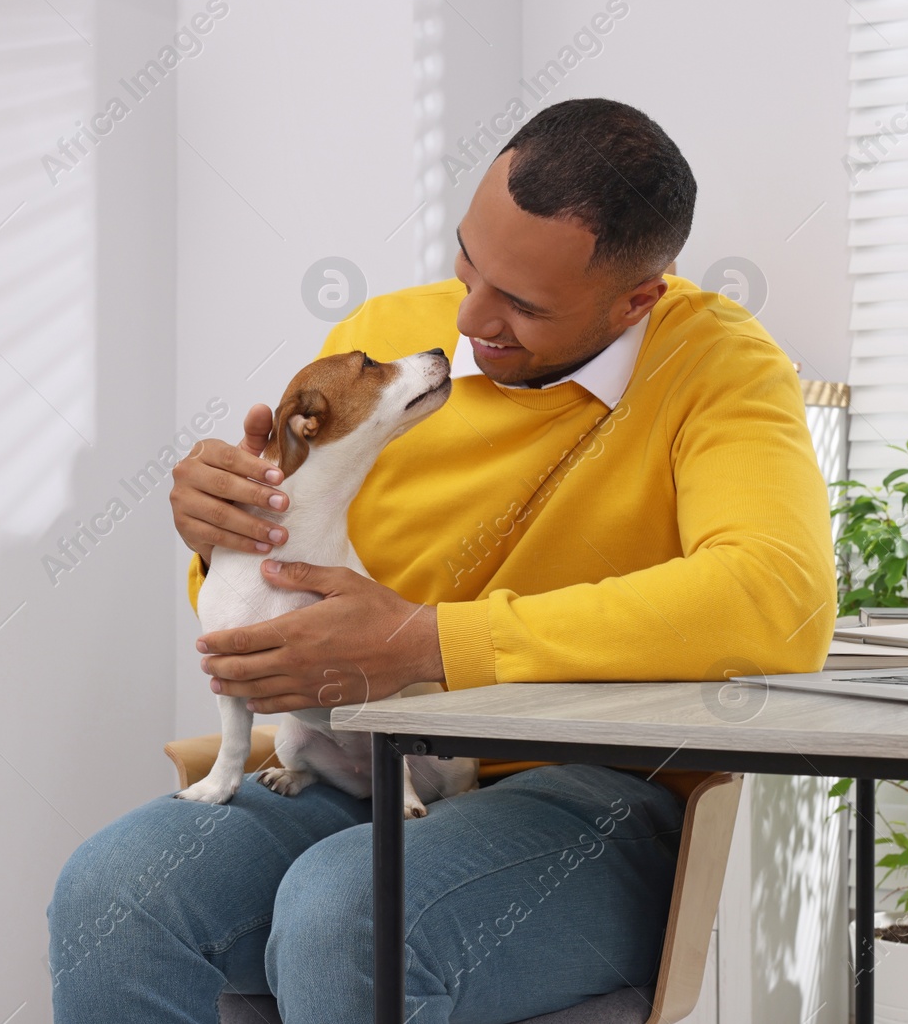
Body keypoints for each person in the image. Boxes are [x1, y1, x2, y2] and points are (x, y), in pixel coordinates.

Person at [48, 97, 834, 1023]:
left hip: (590, 795)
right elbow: (278, 590)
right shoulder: (388, 341)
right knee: (112, 892)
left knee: (349, 913)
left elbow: (778, 599)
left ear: (636, 299)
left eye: (524, 304)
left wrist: (432, 641)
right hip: (360, 759)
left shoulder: (719, 366)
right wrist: (222, 535)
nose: (469, 315)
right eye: (468, 260)